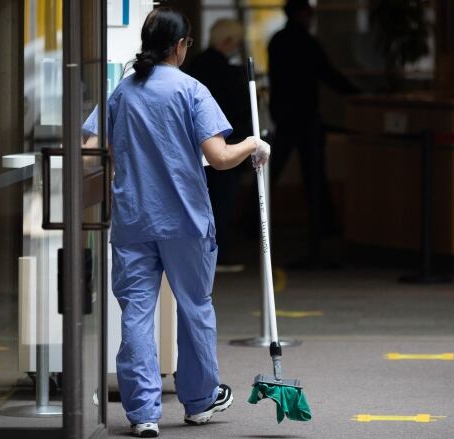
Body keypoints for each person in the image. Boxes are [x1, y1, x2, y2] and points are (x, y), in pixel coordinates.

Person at [85, 8, 270, 438]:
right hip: (186, 220)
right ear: (181, 45)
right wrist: (254, 143)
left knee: (136, 313)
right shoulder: (192, 90)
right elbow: (221, 159)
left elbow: (91, 148)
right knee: (195, 308)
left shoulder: (123, 92)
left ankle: (143, 412)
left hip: (133, 220)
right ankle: (200, 400)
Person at [268, 0, 358, 263]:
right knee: (315, 172)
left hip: (284, 114)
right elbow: (327, 73)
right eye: (309, 13)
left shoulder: (278, 41)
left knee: (273, 170)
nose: (312, 18)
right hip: (305, 115)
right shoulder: (307, 42)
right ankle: (323, 224)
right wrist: (355, 93)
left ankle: (253, 222)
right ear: (301, 14)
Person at [185, 19, 251, 272]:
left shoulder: (195, 66)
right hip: (224, 143)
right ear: (227, 42)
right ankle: (216, 254)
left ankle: (205, 252)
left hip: (196, 147)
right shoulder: (225, 71)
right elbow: (238, 108)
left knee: (206, 200)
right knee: (221, 202)